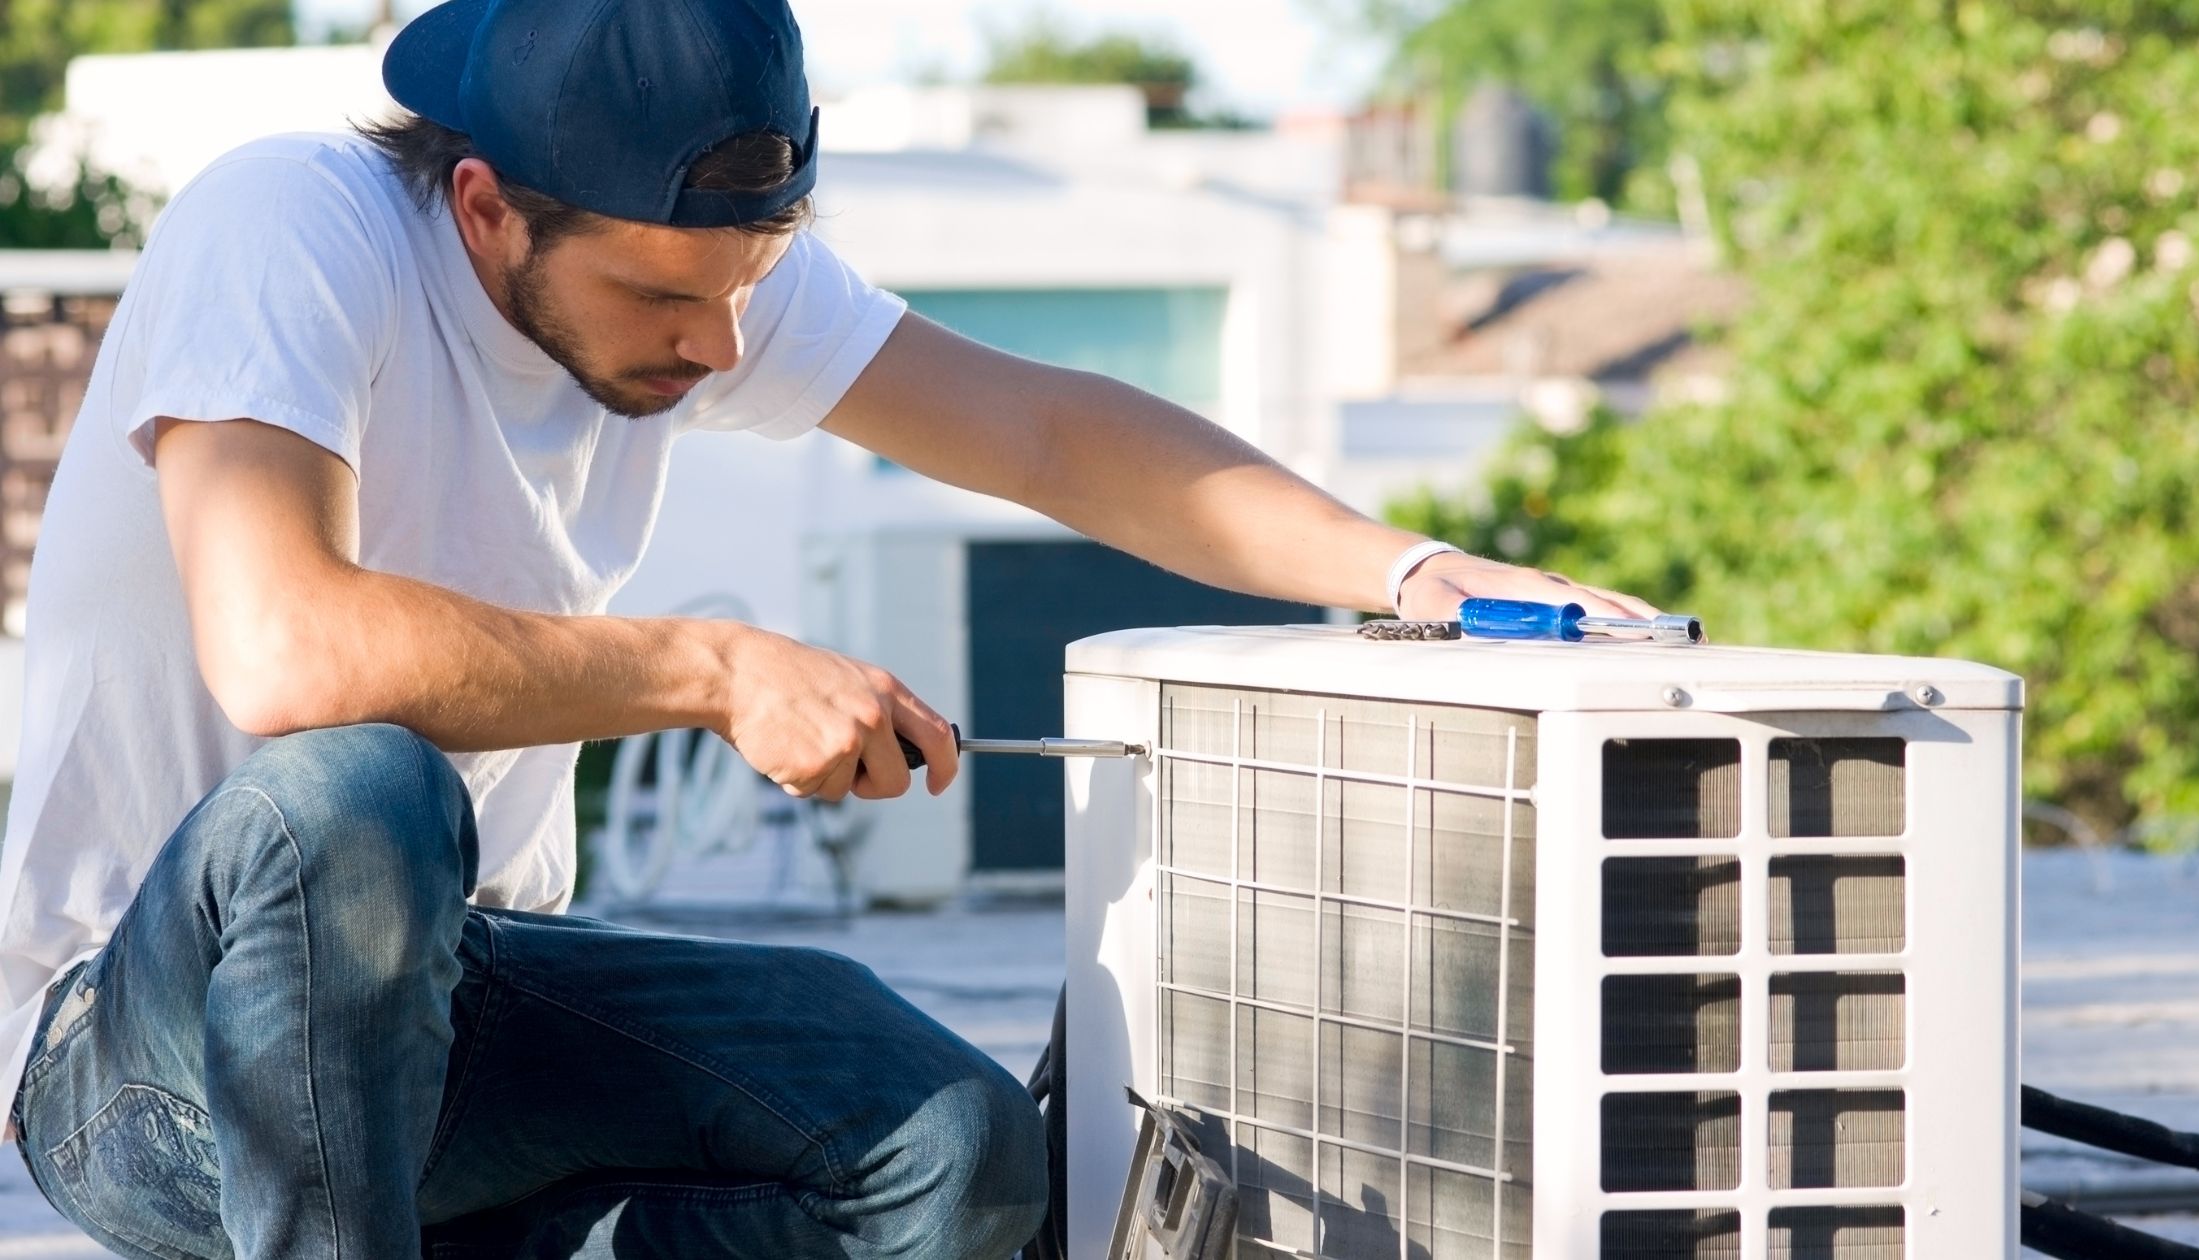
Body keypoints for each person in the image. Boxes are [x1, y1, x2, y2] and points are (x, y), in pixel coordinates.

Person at [0, 0, 1653, 1255]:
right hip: (146, 1046)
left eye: (745, 289)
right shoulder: (285, 227)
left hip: (469, 996)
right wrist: (715, 669)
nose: (720, 346)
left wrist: (1412, 570)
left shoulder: (707, 268)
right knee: (355, 793)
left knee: (957, 1143)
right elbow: (288, 653)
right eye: (665, 300)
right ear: (491, 210)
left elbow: (1049, 434)